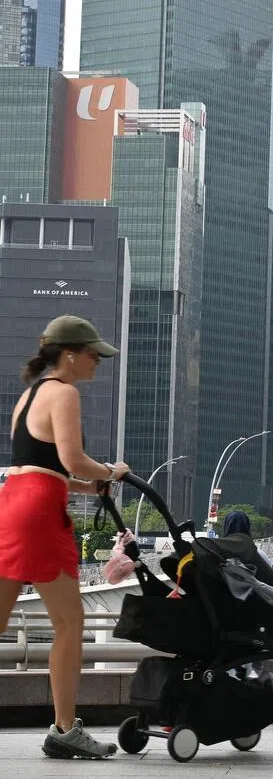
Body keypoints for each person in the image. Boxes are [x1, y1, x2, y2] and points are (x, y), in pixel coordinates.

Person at [0, 315, 128, 760]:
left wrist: (88, 488)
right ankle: (64, 728)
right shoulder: (65, 393)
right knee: (70, 624)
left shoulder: (28, 396)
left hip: (13, 502)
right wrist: (111, 472)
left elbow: (38, 465)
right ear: (70, 355)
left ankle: (65, 728)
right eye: (94, 354)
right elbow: (73, 459)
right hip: (40, 512)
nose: (98, 362)